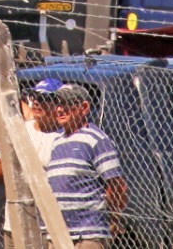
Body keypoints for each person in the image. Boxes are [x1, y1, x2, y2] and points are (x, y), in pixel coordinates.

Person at [0, 78, 66, 249]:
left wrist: (18, 166)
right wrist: (24, 172)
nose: (37, 102)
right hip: (15, 221)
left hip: (48, 225)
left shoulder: (63, 138)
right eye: (34, 96)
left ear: (60, 105)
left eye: (45, 98)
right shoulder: (22, 130)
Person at [47, 84, 129, 248]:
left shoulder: (97, 140)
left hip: (87, 236)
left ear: (84, 108)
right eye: (57, 104)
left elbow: (118, 186)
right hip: (58, 234)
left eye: (67, 104)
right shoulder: (57, 142)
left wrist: (113, 218)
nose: (60, 109)